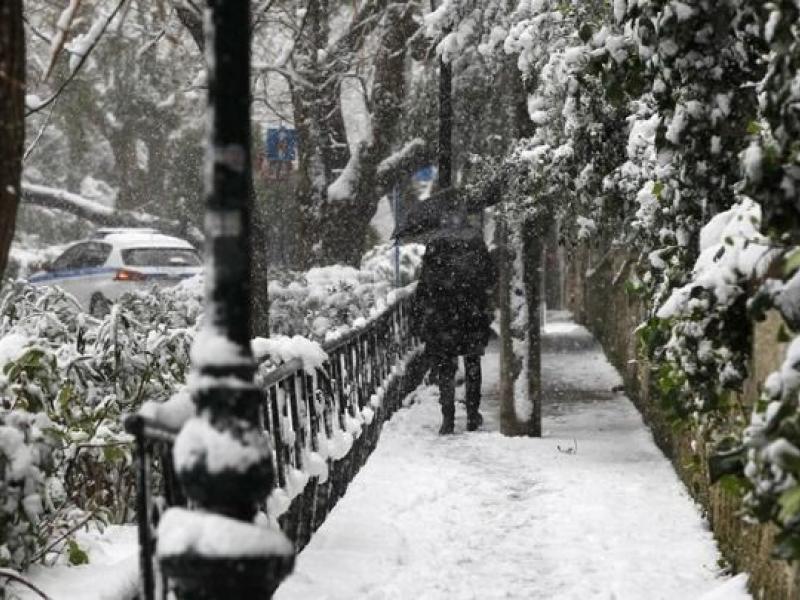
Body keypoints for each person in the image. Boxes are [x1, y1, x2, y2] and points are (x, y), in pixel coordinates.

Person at [412, 209, 496, 434]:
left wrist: (421, 312)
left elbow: (425, 283)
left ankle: (447, 418)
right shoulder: (475, 240)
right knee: (472, 364)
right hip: (471, 314)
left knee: (446, 367)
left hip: (443, 316)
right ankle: (472, 414)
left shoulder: (435, 244)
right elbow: (490, 276)